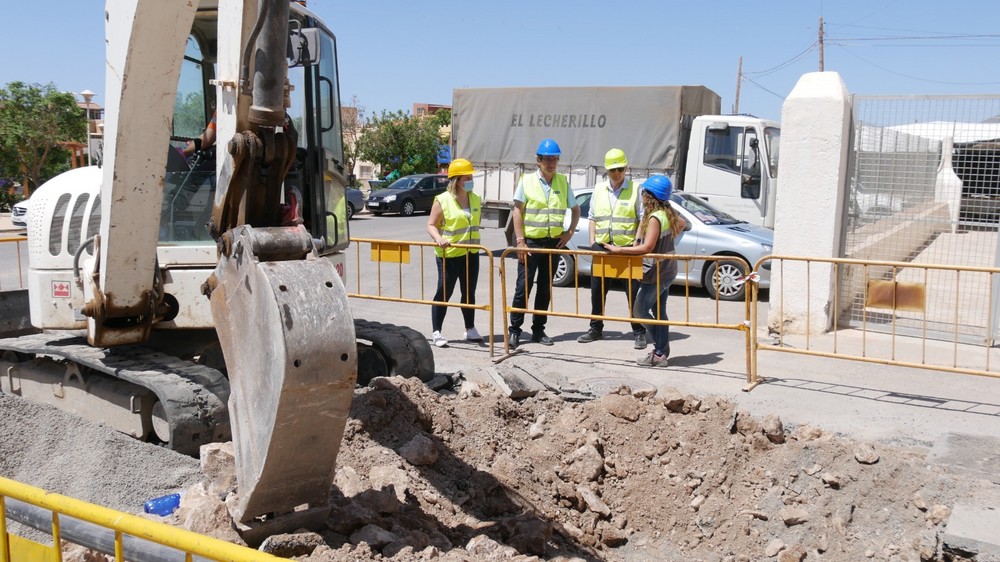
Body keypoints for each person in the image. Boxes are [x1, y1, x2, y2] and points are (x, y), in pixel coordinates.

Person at [602, 175, 685, 367]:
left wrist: (619, 250)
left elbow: (647, 248)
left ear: (650, 196)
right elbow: (681, 224)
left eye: (644, 193)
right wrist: (667, 242)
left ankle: (661, 349)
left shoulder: (656, 217)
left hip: (657, 272)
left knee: (639, 310)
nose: (641, 196)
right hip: (667, 268)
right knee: (658, 311)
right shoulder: (667, 212)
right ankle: (660, 352)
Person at [507, 138, 580, 349]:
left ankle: (538, 330)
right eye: (547, 159)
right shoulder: (527, 181)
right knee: (523, 287)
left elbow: (575, 210)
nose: (551, 163)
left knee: (545, 289)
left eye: (555, 159)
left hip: (553, 244)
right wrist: (520, 241)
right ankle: (514, 331)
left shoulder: (562, 182)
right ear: (538, 161)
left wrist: (570, 232)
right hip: (530, 243)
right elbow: (518, 210)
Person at [577, 148, 647, 349]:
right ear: (606, 171)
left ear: (626, 168)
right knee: (597, 292)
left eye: (620, 169)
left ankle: (639, 331)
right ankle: (595, 328)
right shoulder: (599, 190)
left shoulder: (636, 189)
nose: (616, 173)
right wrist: (592, 241)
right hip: (602, 248)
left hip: (626, 249)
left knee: (634, 294)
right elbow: (591, 217)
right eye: (612, 170)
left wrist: (637, 240)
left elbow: (642, 217)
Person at [426, 158, 484, 348]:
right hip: (449, 255)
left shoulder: (475, 198)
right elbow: (431, 225)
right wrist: (438, 238)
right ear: (457, 180)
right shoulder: (443, 200)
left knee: (469, 292)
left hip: (471, 254)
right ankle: (437, 332)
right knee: (444, 292)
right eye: (468, 177)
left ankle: (470, 328)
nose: (471, 180)